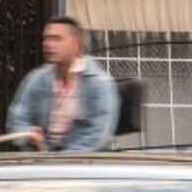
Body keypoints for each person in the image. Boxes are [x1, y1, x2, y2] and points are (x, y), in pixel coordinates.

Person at [7, 16, 119, 152]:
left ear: (76, 44)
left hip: (85, 166)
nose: (47, 44)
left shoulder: (98, 84)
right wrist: (27, 134)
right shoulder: (36, 79)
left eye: (56, 39)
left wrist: (61, 161)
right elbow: (17, 118)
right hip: (41, 162)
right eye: (46, 38)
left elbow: (98, 135)